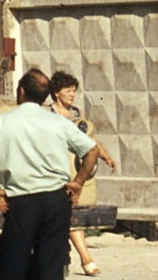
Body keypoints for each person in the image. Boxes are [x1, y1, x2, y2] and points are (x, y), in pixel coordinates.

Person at [0, 68, 100, 280]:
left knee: (14, 263)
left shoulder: (2, 122)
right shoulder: (58, 122)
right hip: (56, 201)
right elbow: (92, 150)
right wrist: (78, 183)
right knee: (51, 265)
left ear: (21, 91)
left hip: (21, 203)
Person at [50, 70, 117, 277]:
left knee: (73, 213)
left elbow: (90, 138)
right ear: (56, 92)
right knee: (69, 213)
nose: (72, 95)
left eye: (74, 91)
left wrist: (105, 156)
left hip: (79, 171)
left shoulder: (77, 113)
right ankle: (86, 259)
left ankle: (78, 258)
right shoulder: (49, 114)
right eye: (68, 91)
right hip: (58, 170)